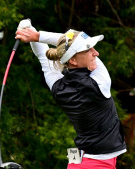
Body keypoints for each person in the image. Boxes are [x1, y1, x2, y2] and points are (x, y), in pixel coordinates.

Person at [15, 20, 126, 168]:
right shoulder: (100, 83)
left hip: (78, 159)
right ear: (73, 60)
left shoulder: (57, 87)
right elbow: (67, 40)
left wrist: (33, 33)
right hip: (97, 163)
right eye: (88, 50)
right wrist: (37, 35)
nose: (96, 53)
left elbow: (47, 53)